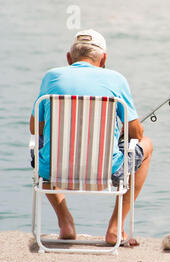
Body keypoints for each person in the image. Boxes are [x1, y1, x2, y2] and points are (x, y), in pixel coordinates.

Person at [29, 29, 153, 246]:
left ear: (69, 58)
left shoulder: (51, 77)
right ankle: (116, 227)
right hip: (107, 170)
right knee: (147, 145)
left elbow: (34, 128)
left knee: (44, 147)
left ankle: (65, 222)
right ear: (104, 59)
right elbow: (137, 133)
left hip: (54, 169)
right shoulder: (115, 79)